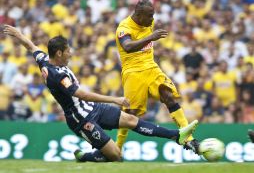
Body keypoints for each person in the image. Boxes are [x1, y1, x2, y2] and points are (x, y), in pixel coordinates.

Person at [2, 25, 198, 162]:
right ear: (59, 54)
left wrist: (17, 34)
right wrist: (115, 99)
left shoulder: (45, 60)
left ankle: (176, 136)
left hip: (93, 108)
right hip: (81, 119)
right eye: (68, 50)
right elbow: (82, 95)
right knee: (116, 157)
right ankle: (87, 156)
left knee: (130, 121)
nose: (71, 53)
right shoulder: (56, 75)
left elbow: (31, 46)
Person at [115, 0, 200, 154]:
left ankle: (188, 138)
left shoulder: (147, 23)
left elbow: (148, 40)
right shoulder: (124, 28)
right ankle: (117, 148)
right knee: (129, 115)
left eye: (153, 15)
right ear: (138, 15)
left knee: (168, 96)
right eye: (149, 16)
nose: (152, 19)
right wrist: (150, 37)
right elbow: (127, 47)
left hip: (152, 68)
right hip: (133, 72)